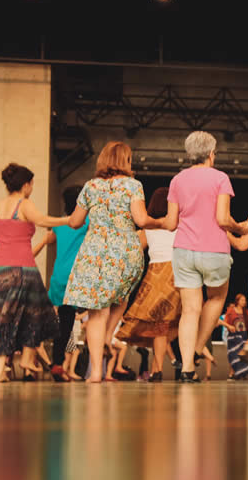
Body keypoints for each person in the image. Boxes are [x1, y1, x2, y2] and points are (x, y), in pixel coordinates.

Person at [63, 142, 163, 383]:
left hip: (95, 251)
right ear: (125, 161)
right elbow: (141, 219)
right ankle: (109, 336)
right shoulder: (132, 185)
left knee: (96, 312)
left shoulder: (91, 186)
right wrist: (163, 222)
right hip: (124, 251)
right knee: (121, 293)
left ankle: (96, 371)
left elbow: (75, 222)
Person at [0, 164, 68, 382]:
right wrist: (68, 220)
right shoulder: (24, 204)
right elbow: (43, 221)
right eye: (32, 184)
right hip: (22, 267)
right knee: (37, 312)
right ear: (26, 184)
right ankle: (27, 358)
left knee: (1, 318)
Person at [159, 131, 248, 383]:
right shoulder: (220, 178)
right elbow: (222, 218)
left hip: (183, 250)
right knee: (217, 296)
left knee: (189, 310)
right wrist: (240, 229)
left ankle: (187, 367)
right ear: (211, 154)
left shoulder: (177, 180)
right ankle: (198, 349)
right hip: (214, 250)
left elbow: (171, 222)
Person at [115, 187, 180, 383]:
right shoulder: (177, 224)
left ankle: (157, 369)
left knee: (158, 326)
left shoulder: (147, 229)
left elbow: (132, 252)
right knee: (171, 324)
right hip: (176, 274)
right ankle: (163, 367)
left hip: (154, 275)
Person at [45, 185, 88, 382]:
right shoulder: (87, 222)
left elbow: (51, 239)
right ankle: (66, 365)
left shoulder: (59, 223)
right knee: (72, 323)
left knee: (63, 323)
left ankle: (57, 363)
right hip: (77, 277)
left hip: (58, 276)